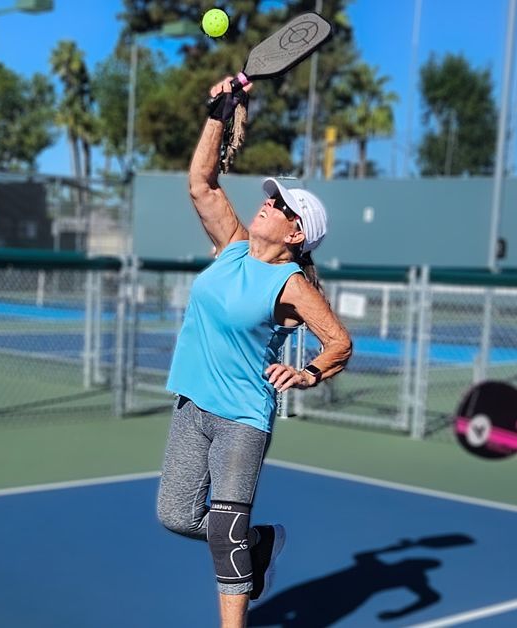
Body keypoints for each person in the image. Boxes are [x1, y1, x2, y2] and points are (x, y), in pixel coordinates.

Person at [156, 77, 353, 628]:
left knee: (222, 532)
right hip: (192, 404)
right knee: (175, 515)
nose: (268, 202)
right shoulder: (232, 246)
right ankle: (259, 541)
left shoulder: (292, 285)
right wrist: (220, 112)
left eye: (280, 204)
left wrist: (309, 374)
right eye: (270, 197)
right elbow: (201, 183)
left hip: (243, 416)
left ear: (297, 231)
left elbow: (339, 342)